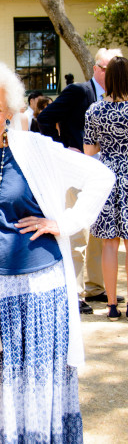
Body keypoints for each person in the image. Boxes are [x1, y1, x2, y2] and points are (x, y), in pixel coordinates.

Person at [0, 59, 115, 443]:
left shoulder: (36, 149)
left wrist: (66, 222)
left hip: (40, 297)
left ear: (10, 111)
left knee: (36, 394)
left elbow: (100, 175)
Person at [37, 48, 124, 314]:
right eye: (108, 68)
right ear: (97, 69)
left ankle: (97, 288)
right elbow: (45, 118)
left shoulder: (109, 104)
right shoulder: (78, 92)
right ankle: (73, 293)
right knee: (78, 235)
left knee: (102, 236)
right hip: (79, 173)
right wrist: (64, 149)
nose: (112, 74)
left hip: (106, 177)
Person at [84, 56, 128, 320]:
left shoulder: (95, 110)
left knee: (109, 245)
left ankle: (111, 306)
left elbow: (90, 151)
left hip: (107, 177)